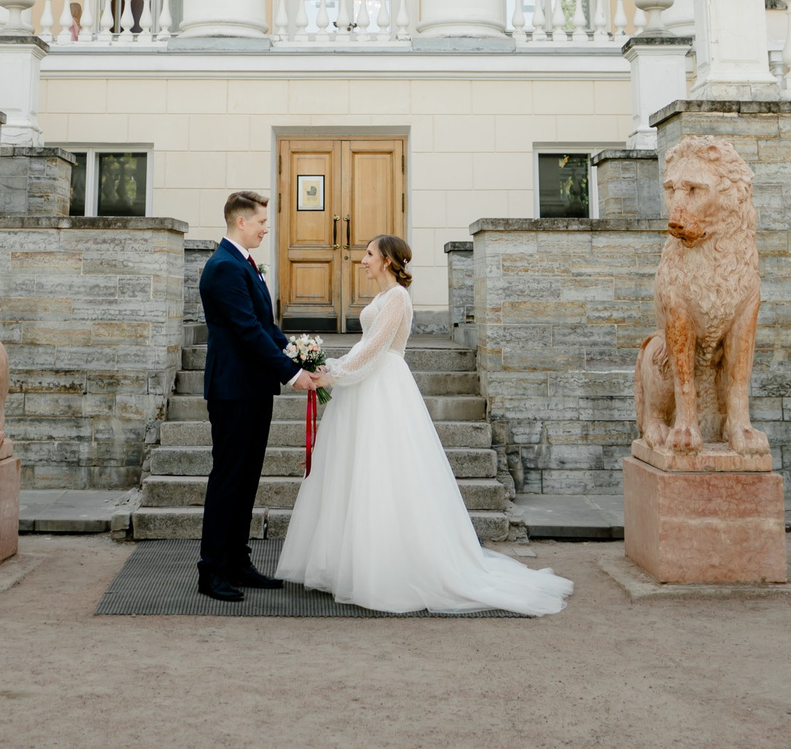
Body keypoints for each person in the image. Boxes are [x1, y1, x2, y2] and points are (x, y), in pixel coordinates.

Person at [277, 234, 572, 616]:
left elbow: (375, 348)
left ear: (386, 260)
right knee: (358, 473)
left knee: (387, 473)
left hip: (384, 384)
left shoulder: (398, 297)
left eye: (368, 255)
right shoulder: (381, 298)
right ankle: (352, 562)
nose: (362, 261)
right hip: (366, 384)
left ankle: (389, 569)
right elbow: (363, 345)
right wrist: (329, 367)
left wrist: (333, 374)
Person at [194, 189, 317, 602]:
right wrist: (291, 373)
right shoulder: (224, 267)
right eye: (262, 222)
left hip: (252, 388)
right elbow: (246, 331)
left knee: (246, 479)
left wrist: (299, 355)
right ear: (241, 222)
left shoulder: (244, 263)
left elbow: (264, 325)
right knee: (229, 478)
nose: (267, 228)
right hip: (232, 390)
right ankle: (211, 570)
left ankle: (237, 561)